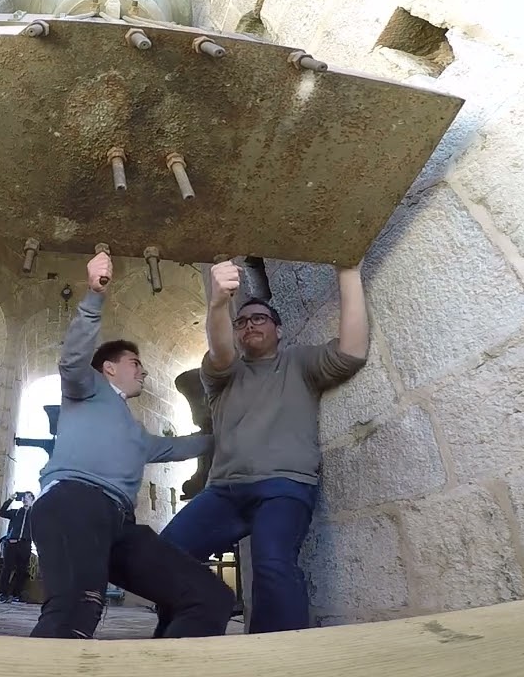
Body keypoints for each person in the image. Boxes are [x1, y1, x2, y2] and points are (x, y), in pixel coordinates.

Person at [28, 251, 235, 640]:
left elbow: (176, 449)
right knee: (77, 608)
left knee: (209, 598)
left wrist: (228, 435)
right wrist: (94, 295)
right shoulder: (85, 389)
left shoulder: (136, 433)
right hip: (74, 502)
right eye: (134, 362)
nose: (143, 369)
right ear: (109, 367)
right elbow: (72, 360)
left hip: (119, 523)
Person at [156, 259, 369, 635]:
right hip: (224, 490)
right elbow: (220, 351)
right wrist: (219, 304)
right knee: (168, 552)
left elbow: (352, 352)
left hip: (284, 486)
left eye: (260, 319)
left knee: (273, 562)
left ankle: (277, 659)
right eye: (242, 322)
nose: (250, 324)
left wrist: (348, 273)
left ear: (279, 330)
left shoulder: (299, 363)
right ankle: (185, 636)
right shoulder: (221, 375)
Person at [0, 491, 35, 603]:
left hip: (25, 544)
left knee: (22, 570)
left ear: (32, 499)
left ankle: (15, 595)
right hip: (12, 543)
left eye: (27, 496)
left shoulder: (35, 514)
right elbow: (1, 512)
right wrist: (10, 499)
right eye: (23, 497)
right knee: (7, 568)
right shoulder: (16, 512)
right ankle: (2, 594)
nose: (24, 499)